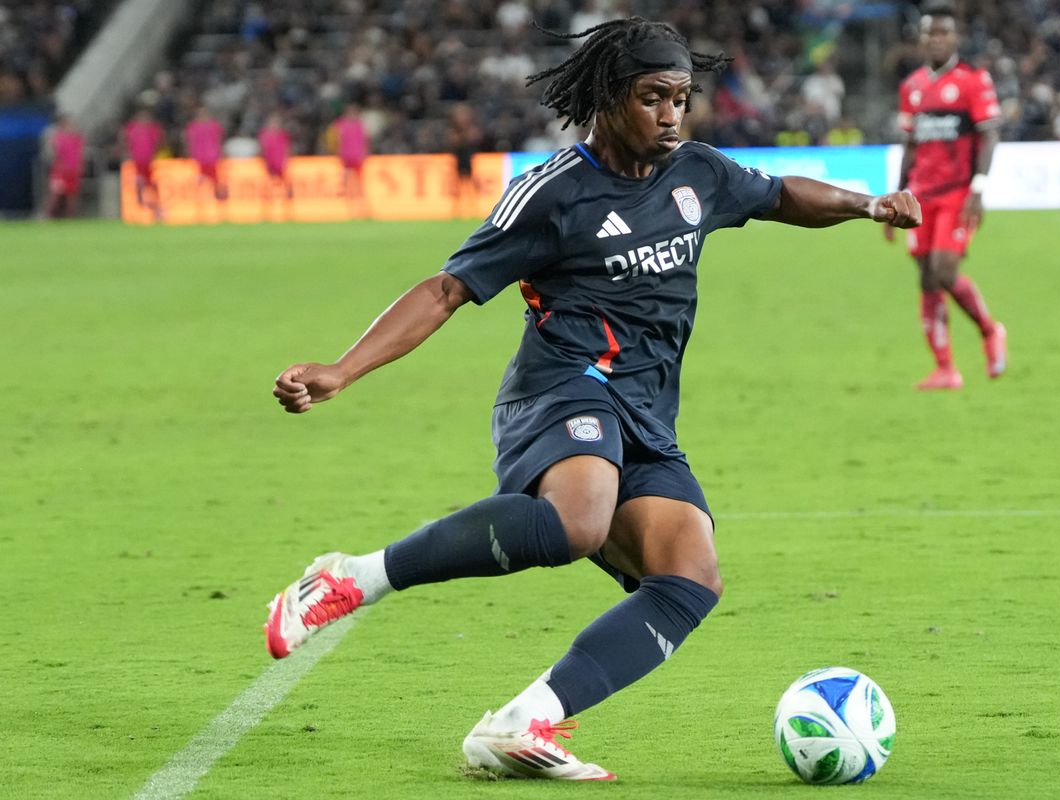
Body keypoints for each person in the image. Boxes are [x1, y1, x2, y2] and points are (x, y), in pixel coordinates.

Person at [264, 17, 920, 781]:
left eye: (681, 97)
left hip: (645, 412)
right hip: (558, 390)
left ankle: (522, 723)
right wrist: (344, 368)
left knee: (689, 576)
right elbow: (447, 289)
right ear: (610, 98)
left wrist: (866, 205)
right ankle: (352, 576)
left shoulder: (697, 173)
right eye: (653, 97)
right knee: (578, 521)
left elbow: (778, 196)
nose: (672, 114)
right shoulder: (552, 195)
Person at [887, 2, 1006, 390]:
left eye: (943, 33)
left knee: (944, 270)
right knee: (926, 277)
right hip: (921, 195)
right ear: (921, 40)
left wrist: (979, 188)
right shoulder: (913, 88)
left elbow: (989, 134)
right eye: (930, 33)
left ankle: (990, 331)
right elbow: (909, 147)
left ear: (955, 38)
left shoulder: (973, 81)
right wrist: (897, 196)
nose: (937, 39)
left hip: (957, 193)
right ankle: (946, 369)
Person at [122, 108, 164, 220]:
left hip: (149, 162)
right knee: (139, 184)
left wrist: (154, 154)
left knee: (150, 184)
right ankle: (140, 207)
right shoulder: (131, 128)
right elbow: (125, 139)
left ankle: (156, 207)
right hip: (137, 161)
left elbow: (158, 141)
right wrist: (127, 152)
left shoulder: (152, 129)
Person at [184, 106, 227, 216]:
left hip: (212, 160)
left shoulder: (214, 126)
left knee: (216, 185)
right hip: (199, 161)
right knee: (199, 186)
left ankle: (222, 209)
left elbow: (219, 141)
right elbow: (190, 142)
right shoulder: (193, 127)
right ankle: (199, 210)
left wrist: (219, 154)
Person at [329, 102, 369, 217]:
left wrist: (364, 153)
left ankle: (362, 209)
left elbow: (364, 140)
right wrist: (336, 150)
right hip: (346, 157)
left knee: (359, 184)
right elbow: (333, 138)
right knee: (347, 183)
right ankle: (349, 209)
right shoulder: (340, 124)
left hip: (357, 157)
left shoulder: (359, 125)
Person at [43, 114, 85, 219]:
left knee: (71, 196)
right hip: (60, 172)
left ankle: (69, 217)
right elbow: (54, 154)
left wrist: (80, 166)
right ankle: (47, 216)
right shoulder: (58, 138)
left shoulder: (77, 139)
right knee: (55, 195)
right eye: (67, 124)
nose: (70, 126)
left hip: (73, 171)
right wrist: (58, 166)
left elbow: (80, 154)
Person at [257, 111, 293, 219]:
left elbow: (287, 149)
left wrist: (286, 160)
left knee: (286, 187)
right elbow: (263, 149)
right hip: (270, 164)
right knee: (268, 187)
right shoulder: (264, 135)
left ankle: (288, 211)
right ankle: (266, 211)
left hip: (280, 163)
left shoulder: (283, 135)